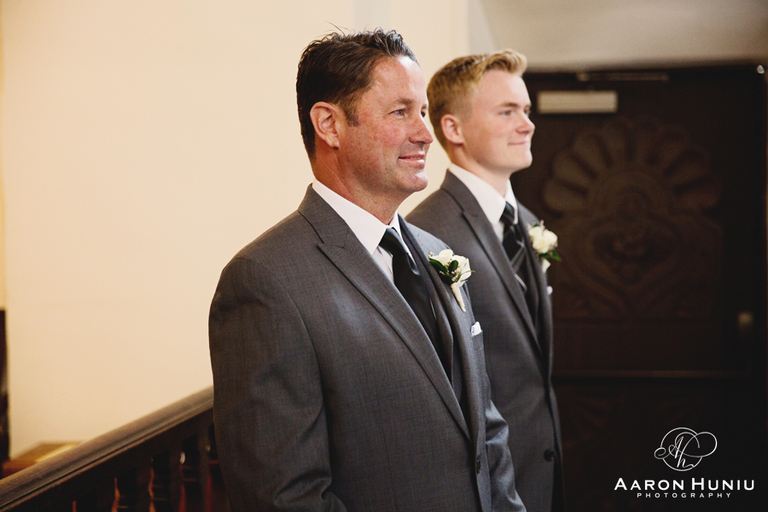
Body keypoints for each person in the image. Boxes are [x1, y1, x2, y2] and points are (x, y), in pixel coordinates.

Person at [208, 30, 525, 512]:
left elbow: (486, 427)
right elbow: (284, 497)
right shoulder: (266, 281)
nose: (425, 133)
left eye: (422, 111)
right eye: (401, 112)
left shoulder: (436, 252)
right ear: (329, 125)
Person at [407, 50, 564, 512]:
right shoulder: (426, 234)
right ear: (453, 129)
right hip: (482, 485)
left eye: (527, 111)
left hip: (544, 469)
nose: (528, 124)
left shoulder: (529, 224)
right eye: (507, 111)